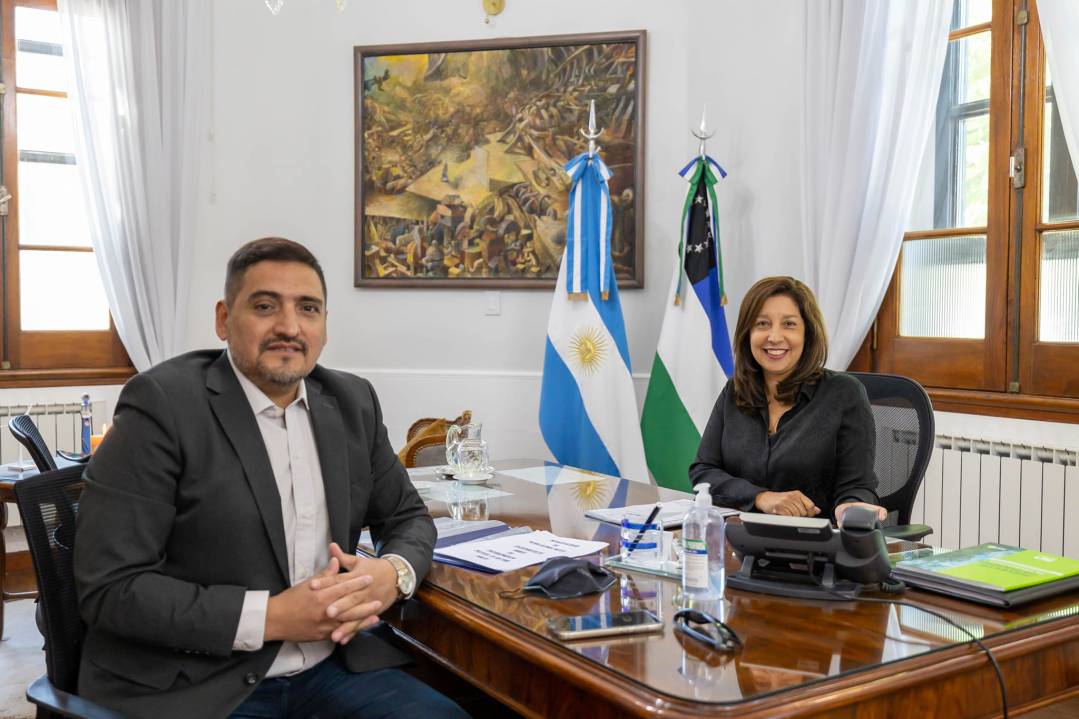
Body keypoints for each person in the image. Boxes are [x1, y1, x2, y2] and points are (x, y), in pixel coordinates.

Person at [74, 238, 468, 719]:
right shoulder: (161, 404)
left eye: (308, 308)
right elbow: (111, 588)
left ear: (324, 325)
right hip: (197, 683)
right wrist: (274, 618)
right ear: (224, 319)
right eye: (265, 306)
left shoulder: (352, 402)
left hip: (331, 667)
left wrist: (393, 573)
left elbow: (407, 517)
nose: (289, 327)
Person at [689, 276, 887, 526]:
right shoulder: (735, 391)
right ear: (747, 333)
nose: (774, 337)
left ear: (807, 333)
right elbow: (703, 472)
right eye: (762, 324)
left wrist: (850, 507)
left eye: (789, 324)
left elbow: (857, 485)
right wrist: (760, 497)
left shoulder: (844, 393)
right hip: (740, 538)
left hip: (813, 541)